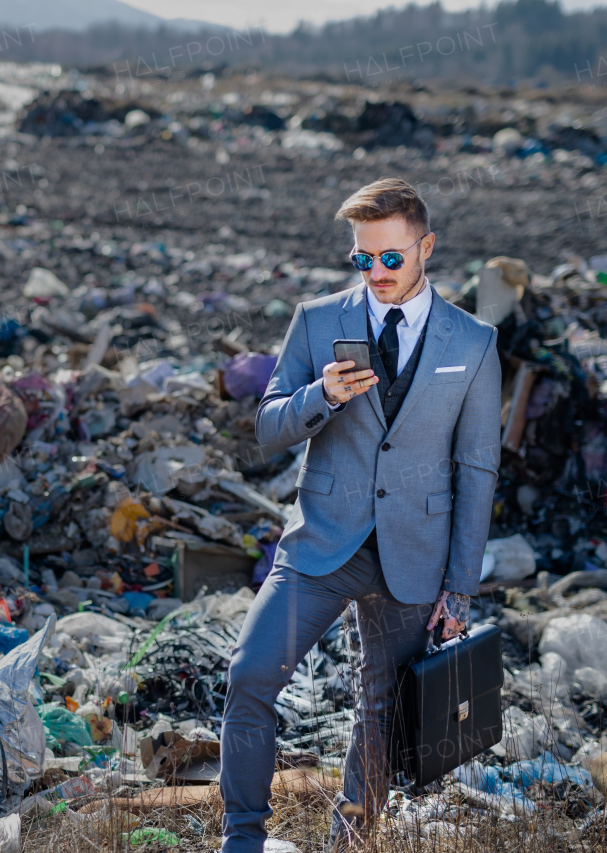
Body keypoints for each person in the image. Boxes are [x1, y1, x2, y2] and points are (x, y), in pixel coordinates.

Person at [219, 178, 501, 852]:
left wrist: (460, 586)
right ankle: (242, 838)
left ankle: (352, 837)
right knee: (251, 674)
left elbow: (477, 470)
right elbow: (268, 425)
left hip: (416, 556)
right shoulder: (318, 320)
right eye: (362, 258)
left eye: (391, 257)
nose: (376, 272)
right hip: (321, 544)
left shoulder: (474, 341)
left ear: (426, 247)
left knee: (380, 709)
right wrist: (321, 395)